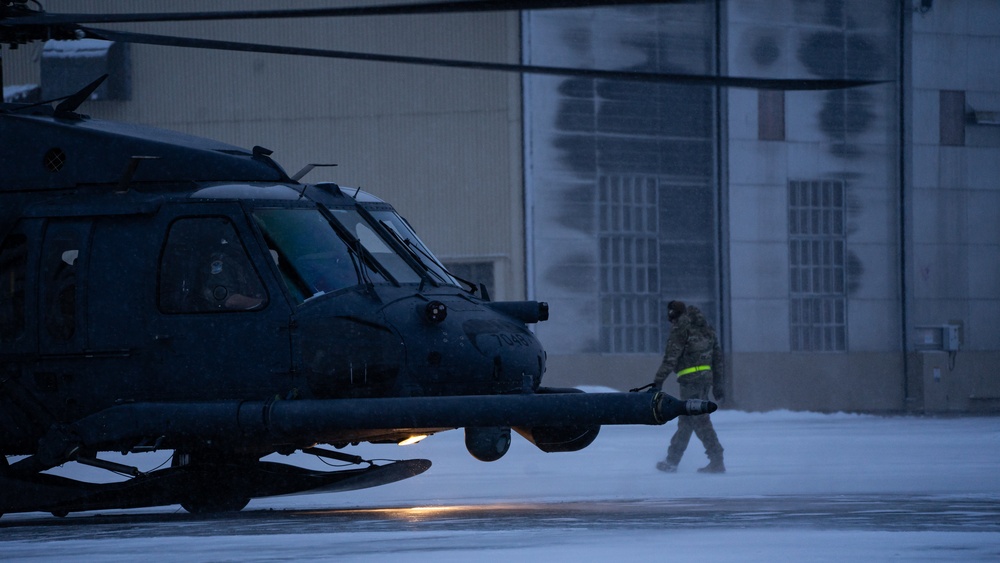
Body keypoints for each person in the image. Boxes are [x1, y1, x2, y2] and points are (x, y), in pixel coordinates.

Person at [649, 300, 726, 473]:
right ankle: (672, 461)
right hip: (705, 380)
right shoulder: (706, 328)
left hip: (691, 382)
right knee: (686, 420)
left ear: (672, 315)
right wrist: (718, 383)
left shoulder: (681, 329)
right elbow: (717, 358)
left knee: (699, 420)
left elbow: (671, 358)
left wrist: (658, 381)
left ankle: (716, 459)